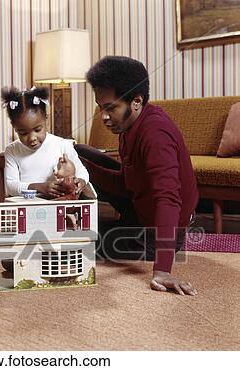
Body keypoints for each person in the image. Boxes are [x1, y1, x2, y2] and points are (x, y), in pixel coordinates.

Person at [75, 56, 199, 296]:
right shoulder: (129, 126)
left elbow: (168, 200)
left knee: (81, 245)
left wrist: (162, 269)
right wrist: (81, 168)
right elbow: (127, 184)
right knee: (77, 152)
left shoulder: (155, 135)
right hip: (140, 205)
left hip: (161, 229)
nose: (104, 117)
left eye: (111, 107)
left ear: (136, 101)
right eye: (101, 107)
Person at [2, 86, 89, 199]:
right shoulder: (12, 150)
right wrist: (39, 187)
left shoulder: (63, 145)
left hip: (57, 205)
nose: (32, 138)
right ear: (14, 127)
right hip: (27, 208)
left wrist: (79, 182)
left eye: (37, 130)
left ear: (46, 120)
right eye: (23, 133)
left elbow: (83, 173)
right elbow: (11, 186)